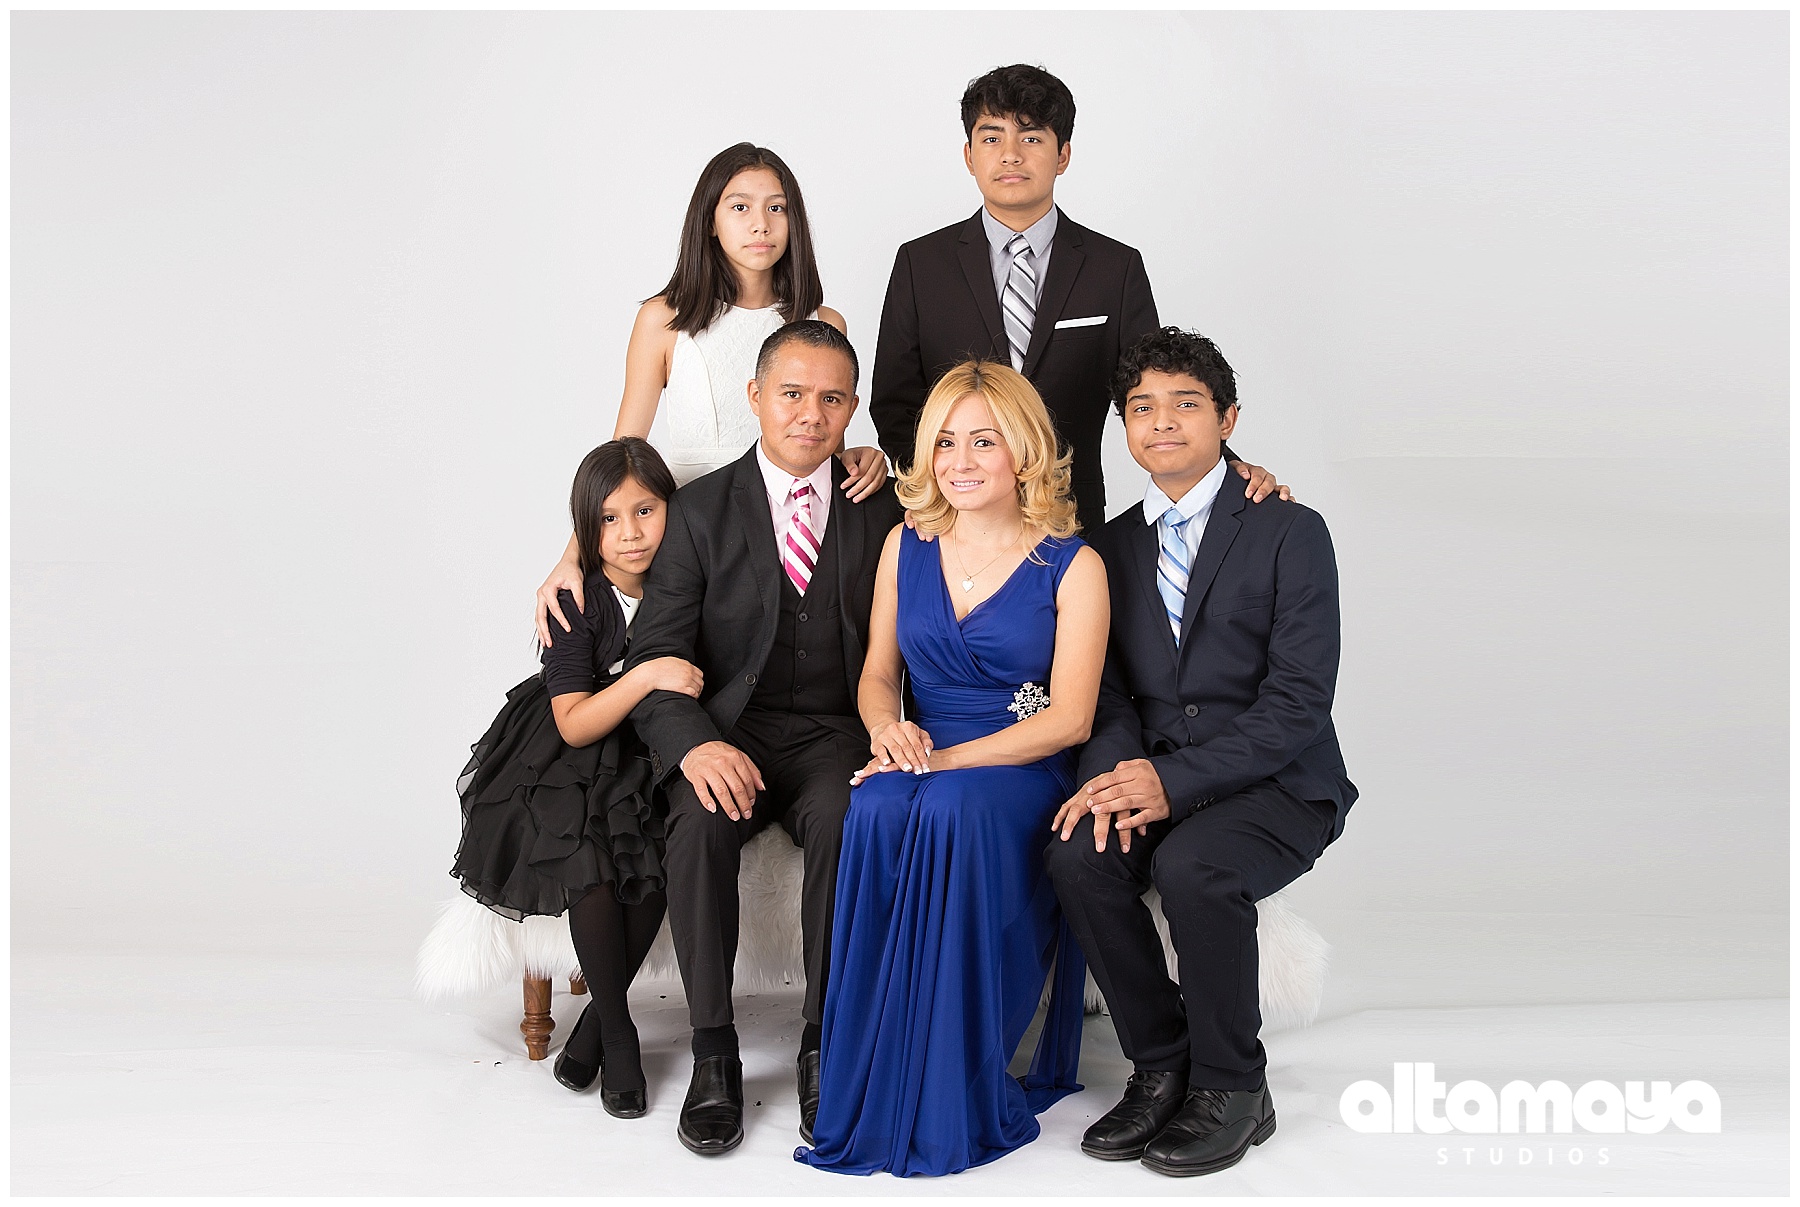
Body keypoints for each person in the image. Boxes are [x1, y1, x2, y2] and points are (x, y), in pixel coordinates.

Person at [1044, 328, 1356, 1177]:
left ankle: (1234, 1084)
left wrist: (1171, 780)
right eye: (1142, 408)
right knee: (1078, 854)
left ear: (1228, 419)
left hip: (1279, 783)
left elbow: (1298, 701)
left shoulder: (1291, 530)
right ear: (1124, 428)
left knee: (1193, 867)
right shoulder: (1110, 549)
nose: (1163, 422)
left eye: (1186, 404)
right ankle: (1162, 1063)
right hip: (1153, 772)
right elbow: (1108, 694)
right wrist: (1116, 781)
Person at [797, 360, 1109, 1177]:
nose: (959, 460)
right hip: (923, 748)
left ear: (1024, 450)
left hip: (1019, 764)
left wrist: (942, 759)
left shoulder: (1074, 563)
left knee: (946, 806)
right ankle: (868, 1073)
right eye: (944, 442)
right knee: (874, 807)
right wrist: (887, 730)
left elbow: (1071, 719)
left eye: (983, 441)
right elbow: (877, 673)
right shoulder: (906, 543)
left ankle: (950, 1081)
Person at [624, 319, 904, 1156]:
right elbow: (654, 652)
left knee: (851, 821)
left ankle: (825, 1042)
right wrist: (694, 746)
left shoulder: (884, 508)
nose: (811, 414)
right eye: (791, 393)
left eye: (832, 398)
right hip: (728, 731)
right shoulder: (699, 510)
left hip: (835, 733)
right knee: (698, 823)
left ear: (852, 407)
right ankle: (714, 1050)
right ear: (755, 396)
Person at [869, 64, 1285, 535]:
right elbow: (895, 402)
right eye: (991, 138)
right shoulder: (921, 264)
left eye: (1031, 138)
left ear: (1063, 154)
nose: (1010, 155)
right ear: (969, 155)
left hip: (1070, 514)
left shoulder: (1115, 268)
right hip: (954, 518)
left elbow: (1154, 386)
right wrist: (933, 492)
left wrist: (1226, 465)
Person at [535, 142, 887, 648]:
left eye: (777, 207)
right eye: (740, 207)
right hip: (694, 543)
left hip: (793, 539)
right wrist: (573, 554)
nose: (761, 224)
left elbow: (823, 444)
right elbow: (622, 454)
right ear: (710, 222)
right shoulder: (664, 320)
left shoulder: (822, 321)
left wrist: (860, 459)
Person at [451, 437, 703, 1119]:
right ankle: (620, 1037)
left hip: (649, 748)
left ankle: (594, 1023)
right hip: (571, 744)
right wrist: (646, 674)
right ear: (586, 529)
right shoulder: (578, 600)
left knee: (655, 856)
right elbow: (572, 725)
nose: (630, 533)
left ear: (672, 508)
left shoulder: (687, 583)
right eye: (609, 519)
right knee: (590, 855)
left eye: (645, 511)